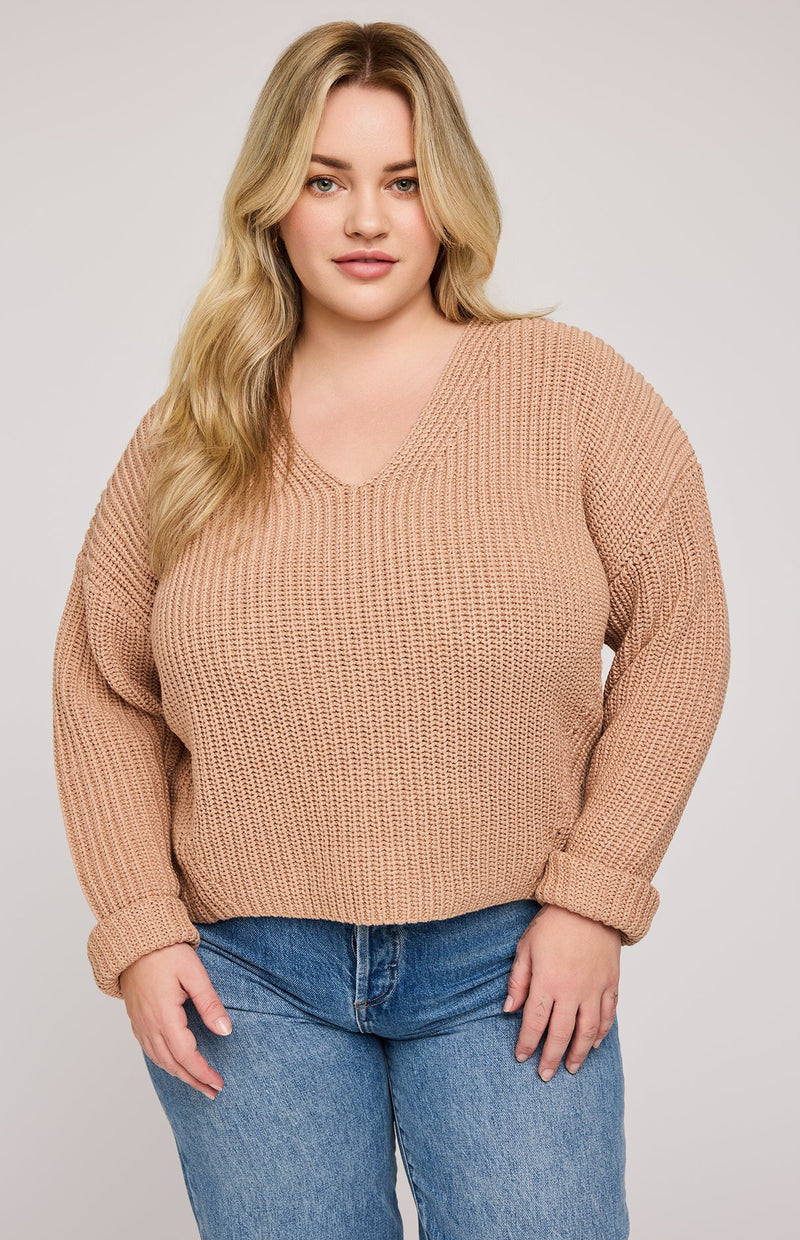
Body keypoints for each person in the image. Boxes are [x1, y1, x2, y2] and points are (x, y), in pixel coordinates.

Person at [51, 19, 731, 1240]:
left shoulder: (569, 391)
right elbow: (103, 685)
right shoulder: (191, 432)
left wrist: (595, 897)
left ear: (448, 198)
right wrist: (139, 931)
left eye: (403, 181)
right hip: (245, 977)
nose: (366, 218)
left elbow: (679, 633)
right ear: (272, 201)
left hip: (509, 960)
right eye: (325, 180)